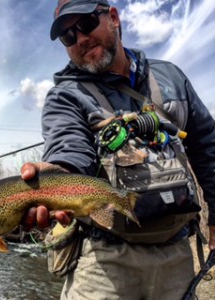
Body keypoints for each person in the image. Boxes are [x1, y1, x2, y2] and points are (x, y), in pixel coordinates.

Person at [21, 0, 215, 299]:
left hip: (178, 255)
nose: (80, 39)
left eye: (85, 24)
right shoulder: (65, 96)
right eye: (67, 36)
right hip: (104, 260)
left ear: (112, 17)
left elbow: (206, 146)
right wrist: (57, 176)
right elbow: (69, 151)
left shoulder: (171, 77)